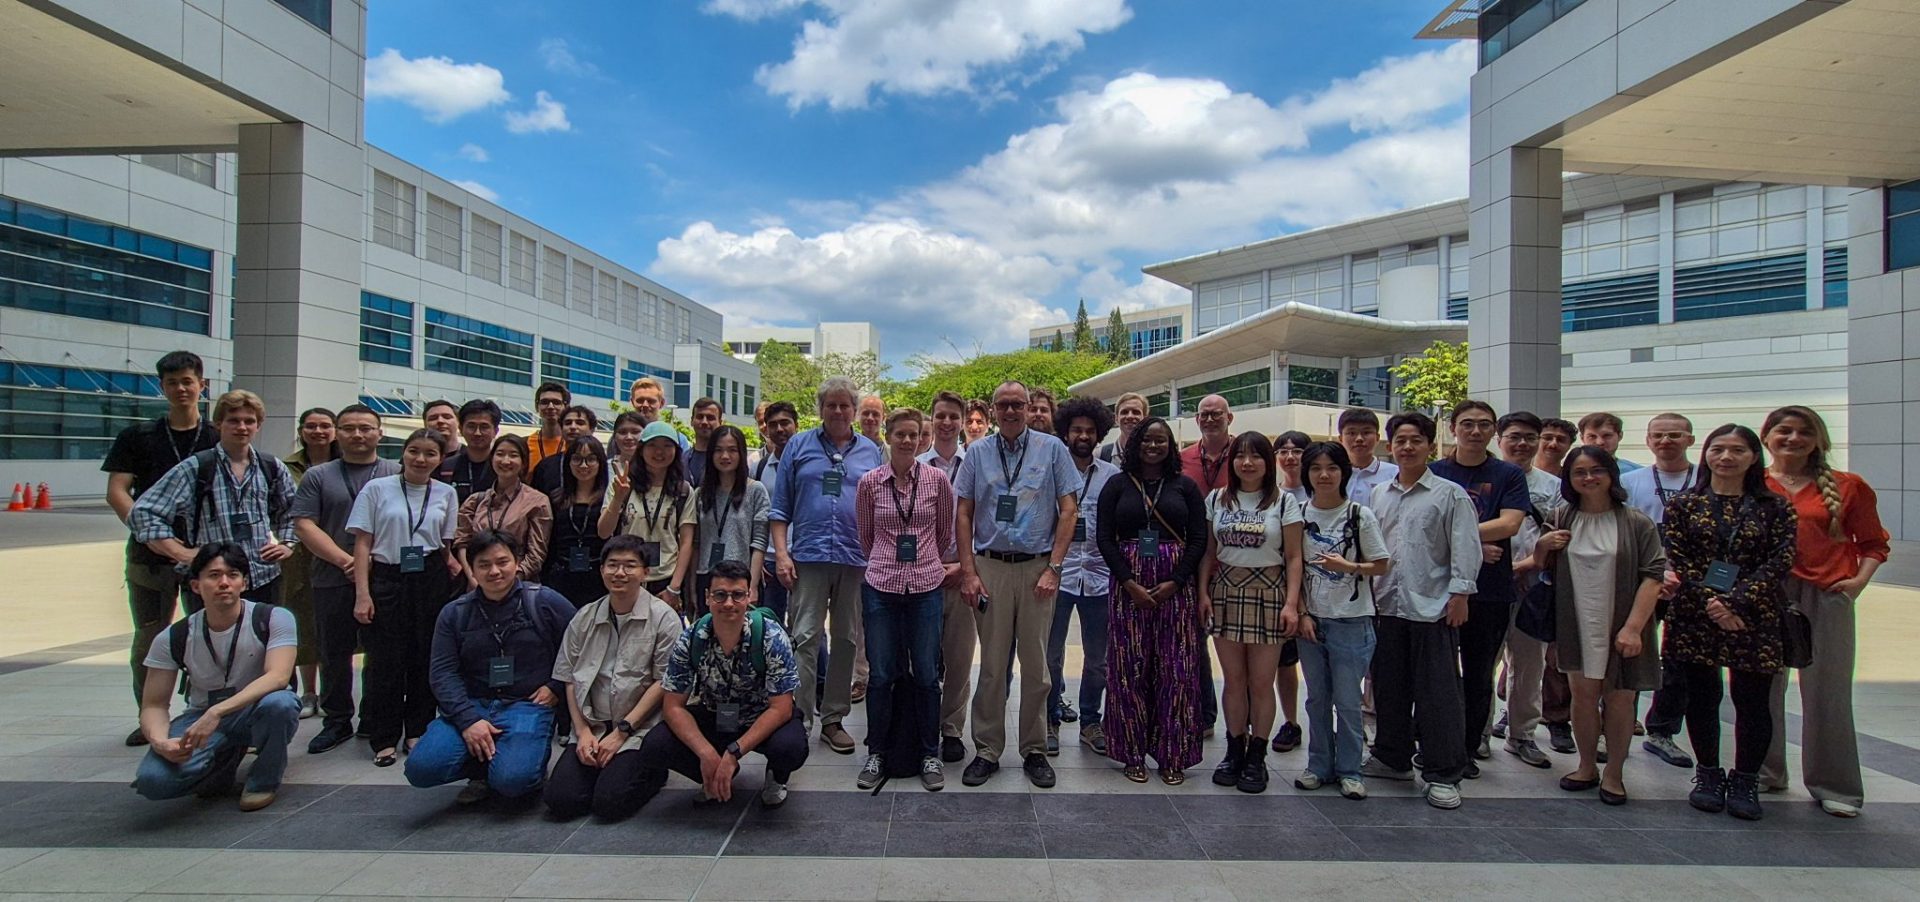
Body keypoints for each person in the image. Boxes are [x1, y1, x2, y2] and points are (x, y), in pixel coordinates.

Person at [1758, 405, 1890, 817]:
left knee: (1827, 691)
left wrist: (1857, 584)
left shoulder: (1848, 486)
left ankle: (1836, 785)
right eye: (1784, 431)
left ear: (1818, 440)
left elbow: (1873, 543)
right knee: (1762, 686)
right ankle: (1765, 772)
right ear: (1767, 437)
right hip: (1767, 593)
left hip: (1828, 592)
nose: (1793, 439)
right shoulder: (1752, 483)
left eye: (1804, 432)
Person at [1664, 424, 1797, 821]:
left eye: (1737, 450)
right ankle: (1708, 774)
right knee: (1702, 697)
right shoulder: (1684, 505)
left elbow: (1780, 561)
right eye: (1718, 449)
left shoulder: (1776, 507)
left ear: (1753, 457)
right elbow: (1679, 560)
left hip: (1754, 617)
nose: (1726, 457)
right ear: (1706, 455)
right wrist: (1714, 604)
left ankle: (1745, 780)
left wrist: (1735, 603)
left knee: (1753, 701)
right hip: (1695, 615)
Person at [952, 380, 1080, 788]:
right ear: (992, 410)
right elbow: (964, 513)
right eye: (1003, 405)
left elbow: (1069, 511)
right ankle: (987, 750)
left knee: (1038, 667)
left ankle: (1035, 749)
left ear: (1029, 408)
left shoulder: (1052, 449)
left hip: (1037, 569)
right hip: (990, 567)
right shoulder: (977, 452)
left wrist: (1054, 568)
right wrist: (969, 572)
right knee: (990, 666)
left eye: (1017, 405)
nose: (1010, 411)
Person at [1526, 445, 1665, 804]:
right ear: (1569, 479)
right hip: (1577, 621)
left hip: (1622, 623)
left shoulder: (1636, 522)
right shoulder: (1561, 516)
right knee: (1583, 697)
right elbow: (1540, 566)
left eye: (1596, 470)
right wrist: (1543, 544)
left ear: (1610, 475)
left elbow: (1653, 577)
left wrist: (1633, 627)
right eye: (1579, 472)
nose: (1588, 478)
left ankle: (1615, 773)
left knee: (1620, 699)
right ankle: (1587, 765)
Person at [1362, 411, 1480, 810]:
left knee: (1438, 695)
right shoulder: (1380, 494)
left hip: (1433, 606)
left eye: (1416, 440)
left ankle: (1444, 772)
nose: (1408, 447)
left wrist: (1461, 594)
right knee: (1389, 687)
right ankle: (1391, 757)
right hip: (1387, 605)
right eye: (1400, 440)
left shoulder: (1449, 494)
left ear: (1431, 445)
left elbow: (1466, 547)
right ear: (1390, 446)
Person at [405, 530, 575, 803]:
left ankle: (508, 768)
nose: (494, 571)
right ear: (471, 569)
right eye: (484, 565)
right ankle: (485, 766)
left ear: (517, 562)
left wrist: (555, 685)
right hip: (473, 703)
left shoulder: (544, 601)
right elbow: (442, 672)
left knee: (513, 782)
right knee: (420, 769)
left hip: (526, 704)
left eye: (502, 562)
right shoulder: (454, 613)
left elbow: (581, 647)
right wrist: (468, 719)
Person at [131, 543, 299, 811]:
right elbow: (153, 704)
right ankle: (222, 761)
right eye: (214, 575)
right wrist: (161, 741)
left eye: (232, 575)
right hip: (202, 716)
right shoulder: (173, 637)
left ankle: (263, 780)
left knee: (281, 703)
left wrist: (216, 712)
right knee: (153, 781)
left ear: (244, 583)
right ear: (196, 586)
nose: (224, 583)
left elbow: (278, 677)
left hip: (251, 711)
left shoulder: (273, 618)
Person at [105, 351, 218, 746]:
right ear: (163, 387)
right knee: (150, 637)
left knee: (211, 634)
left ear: (202, 385)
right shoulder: (137, 437)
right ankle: (150, 714)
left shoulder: (217, 437)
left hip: (207, 558)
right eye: (173, 383)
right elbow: (117, 491)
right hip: (148, 556)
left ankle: (203, 710)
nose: (181, 389)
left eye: (188, 381)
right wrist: (150, 531)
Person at [634, 560, 809, 809]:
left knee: (790, 747)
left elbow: (781, 708)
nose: (728, 603)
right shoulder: (692, 637)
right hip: (715, 714)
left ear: (749, 597)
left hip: (761, 715)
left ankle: (776, 777)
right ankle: (712, 775)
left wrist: (734, 753)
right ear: (707, 598)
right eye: (720, 595)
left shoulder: (770, 635)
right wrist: (705, 753)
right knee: (655, 744)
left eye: (737, 595)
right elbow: (673, 706)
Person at [770, 377, 882, 754]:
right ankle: (799, 718)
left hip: (855, 559)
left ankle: (833, 719)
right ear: (820, 409)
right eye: (830, 405)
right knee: (805, 637)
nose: (837, 411)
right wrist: (782, 554)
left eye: (844, 405)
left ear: (854, 410)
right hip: (809, 557)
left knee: (848, 640)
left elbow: (881, 505)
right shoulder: (798, 447)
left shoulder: (870, 451)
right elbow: (780, 507)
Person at [1096, 416, 1208, 785]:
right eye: (1147, 440)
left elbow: (1198, 540)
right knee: (1129, 670)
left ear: (1171, 446)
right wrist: (1128, 582)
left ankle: (1173, 754)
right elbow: (1105, 539)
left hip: (1174, 589)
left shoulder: (1185, 487)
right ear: (1135, 444)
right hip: (1128, 590)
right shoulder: (1116, 485)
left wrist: (1176, 581)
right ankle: (1131, 753)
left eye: (1161, 441)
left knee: (1176, 671)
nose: (1153, 446)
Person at [543, 534, 682, 820]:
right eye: (612, 565)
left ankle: (651, 772)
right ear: (601, 569)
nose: (620, 573)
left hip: (638, 729)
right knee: (562, 801)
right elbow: (569, 677)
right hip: (592, 726)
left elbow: (664, 681)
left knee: (609, 804)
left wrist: (622, 733)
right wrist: (581, 732)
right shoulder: (584, 616)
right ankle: (603, 769)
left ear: (646, 572)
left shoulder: (664, 618)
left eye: (630, 566)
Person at [1427, 400, 1530, 777]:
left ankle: (1467, 750)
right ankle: (1436, 743)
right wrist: (1469, 544)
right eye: (1467, 424)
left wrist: (1456, 537)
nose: (1475, 431)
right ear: (1454, 427)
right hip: (1437, 589)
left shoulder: (1508, 475)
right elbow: (1419, 525)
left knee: (1478, 673)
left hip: (1490, 591)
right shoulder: (1434, 471)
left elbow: (1510, 524)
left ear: (1493, 432)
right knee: (1436, 673)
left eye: (1484, 425)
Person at [853, 408, 955, 790]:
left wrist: (922, 559)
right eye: (901, 435)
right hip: (881, 585)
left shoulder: (937, 481)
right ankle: (877, 752)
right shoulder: (869, 483)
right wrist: (888, 559)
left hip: (926, 586)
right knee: (881, 675)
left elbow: (943, 533)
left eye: (915, 435)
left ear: (922, 438)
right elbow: (865, 536)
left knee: (927, 675)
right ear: (888, 437)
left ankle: (930, 753)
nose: (908, 441)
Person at [348, 429, 462, 767]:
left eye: (430, 453)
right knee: (385, 660)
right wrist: (362, 594)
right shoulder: (377, 488)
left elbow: (444, 543)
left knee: (424, 656)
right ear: (403, 453)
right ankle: (383, 736)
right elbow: (363, 544)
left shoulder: (446, 492)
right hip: (387, 575)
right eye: (414, 451)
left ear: (441, 459)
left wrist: (454, 563)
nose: (420, 459)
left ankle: (417, 728)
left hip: (429, 577)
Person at [290, 404, 400, 755]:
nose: (357, 435)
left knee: (381, 653)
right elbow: (304, 524)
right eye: (349, 428)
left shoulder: (396, 472)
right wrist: (347, 561)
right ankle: (336, 718)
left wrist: (369, 566)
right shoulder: (319, 476)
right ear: (338, 433)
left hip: (385, 579)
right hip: (331, 576)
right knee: (333, 652)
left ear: (379, 433)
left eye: (366, 428)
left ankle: (373, 716)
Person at [1198, 431, 1303, 793]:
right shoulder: (1217, 499)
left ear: (1267, 461)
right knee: (1233, 680)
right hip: (1226, 590)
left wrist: (1292, 603)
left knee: (1261, 681)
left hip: (1269, 593)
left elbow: (1293, 557)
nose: (1247, 462)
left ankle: (1257, 756)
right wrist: (1202, 594)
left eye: (1255, 456)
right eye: (1240, 456)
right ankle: (1234, 749)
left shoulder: (1284, 502)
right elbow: (1209, 553)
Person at [130, 389, 297, 609]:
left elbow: (294, 511)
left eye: (249, 421)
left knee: (261, 642)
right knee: (208, 642)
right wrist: (181, 553)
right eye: (233, 421)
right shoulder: (196, 467)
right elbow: (143, 512)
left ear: (259, 425)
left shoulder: (271, 467)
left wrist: (288, 543)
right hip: (209, 583)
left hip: (262, 577)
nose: (242, 427)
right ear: (218, 424)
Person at [1294, 443, 1389, 800]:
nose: (1323, 475)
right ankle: (1319, 765)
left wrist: (1348, 567)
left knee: (1349, 701)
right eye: (1316, 468)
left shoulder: (1358, 515)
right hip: (1312, 622)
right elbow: (1294, 569)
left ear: (1343, 473)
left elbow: (1381, 564)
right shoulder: (1299, 514)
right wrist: (1302, 612)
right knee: (1317, 698)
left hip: (1352, 620)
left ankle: (1350, 769)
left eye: (1332, 467)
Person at [1620, 412, 1698, 769]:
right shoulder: (1631, 481)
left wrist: (1680, 573)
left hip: (1692, 584)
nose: (1666, 441)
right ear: (1648, 441)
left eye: (1675, 435)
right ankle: (1619, 724)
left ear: (1690, 440)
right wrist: (1656, 574)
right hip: (1643, 580)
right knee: (1632, 651)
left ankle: (1662, 731)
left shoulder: (1706, 479)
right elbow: (1626, 534)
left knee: (1680, 660)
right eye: (1659, 435)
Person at [1488, 411, 1563, 768]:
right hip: (1485, 583)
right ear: (1499, 439)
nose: (1522, 444)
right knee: (1481, 661)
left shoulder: (1553, 486)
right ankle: (1478, 733)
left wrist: (1529, 565)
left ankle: (1522, 735)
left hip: (1533, 586)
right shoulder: (1486, 479)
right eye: (1514, 436)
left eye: (1530, 437)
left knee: (1530, 664)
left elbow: (1560, 535)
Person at [1047, 397, 1119, 756]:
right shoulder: (1051, 472)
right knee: (1051, 653)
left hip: (1100, 578)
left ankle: (1091, 721)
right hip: (1058, 575)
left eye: (1090, 430)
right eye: (1077, 429)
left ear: (1099, 434)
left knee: (1098, 658)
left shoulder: (1113, 477)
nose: (1083, 436)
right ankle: (1049, 720)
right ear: (1065, 432)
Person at [1179, 394, 1234, 737]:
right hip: (1193, 566)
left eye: (1216, 414)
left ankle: (1241, 726)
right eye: (1204, 414)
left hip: (1235, 568)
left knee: (1236, 651)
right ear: (1197, 420)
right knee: (1194, 644)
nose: (1210, 419)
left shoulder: (1246, 456)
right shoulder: (1183, 459)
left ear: (1230, 417)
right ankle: (1203, 715)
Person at [600, 422, 698, 607]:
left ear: (676, 451)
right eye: (652, 445)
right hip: (627, 576)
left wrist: (674, 588)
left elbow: (686, 542)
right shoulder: (622, 484)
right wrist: (618, 498)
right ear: (641, 449)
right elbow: (604, 532)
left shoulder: (683, 490)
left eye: (667, 446)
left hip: (666, 578)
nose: (659, 452)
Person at [280, 407, 336, 717]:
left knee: (337, 627)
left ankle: (333, 691)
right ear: (301, 430)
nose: (318, 431)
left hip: (343, 553)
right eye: (311, 426)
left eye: (325, 425)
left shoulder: (347, 464)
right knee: (303, 620)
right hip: (300, 555)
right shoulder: (285, 467)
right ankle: (309, 692)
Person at [689, 424, 770, 614]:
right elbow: (696, 543)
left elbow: (759, 542)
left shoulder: (755, 490)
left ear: (741, 453)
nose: (725, 456)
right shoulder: (701, 494)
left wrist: (754, 585)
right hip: (707, 577)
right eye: (718, 450)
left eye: (732, 450)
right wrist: (692, 587)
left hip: (741, 580)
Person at [1533, 415, 1578, 750]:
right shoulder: (1509, 476)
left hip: (1556, 580)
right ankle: (1518, 713)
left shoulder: (1572, 484)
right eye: (1546, 437)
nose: (1551, 444)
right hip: (1507, 575)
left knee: (1554, 657)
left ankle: (1557, 718)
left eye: (1559, 439)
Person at [455, 434, 552, 587]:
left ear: (523, 462)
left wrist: (508, 584)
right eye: (500, 454)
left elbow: (536, 554)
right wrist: (474, 579)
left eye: (513, 455)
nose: (505, 461)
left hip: (518, 586)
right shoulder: (475, 501)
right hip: (477, 586)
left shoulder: (537, 502)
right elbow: (463, 543)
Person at [543, 435, 610, 608]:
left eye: (591, 459)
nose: (583, 465)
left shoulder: (608, 499)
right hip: (562, 576)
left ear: (601, 462)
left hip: (598, 578)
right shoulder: (556, 497)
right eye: (577, 459)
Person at [753, 401, 799, 618]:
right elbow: (755, 515)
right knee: (770, 622)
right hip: (769, 561)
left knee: (807, 628)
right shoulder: (759, 467)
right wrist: (757, 556)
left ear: (796, 425)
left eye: (785, 423)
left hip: (803, 557)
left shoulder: (810, 466)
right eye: (773, 424)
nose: (779, 429)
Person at [530, 406, 599, 496]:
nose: (573, 427)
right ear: (561, 429)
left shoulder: (602, 463)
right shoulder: (545, 466)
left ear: (592, 429)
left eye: (580, 423)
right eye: (568, 423)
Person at [1337, 408, 1398, 509]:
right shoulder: (1334, 474)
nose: (1359, 439)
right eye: (1352, 433)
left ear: (1377, 438)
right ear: (1340, 439)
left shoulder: (1395, 474)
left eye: (1366, 433)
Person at [445, 399, 502, 501]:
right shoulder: (446, 468)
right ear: (461, 429)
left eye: (484, 427)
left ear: (496, 431)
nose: (477, 433)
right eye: (471, 426)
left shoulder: (504, 467)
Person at [627, 376, 690, 451]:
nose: (645, 405)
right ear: (632, 402)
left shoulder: (678, 440)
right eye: (640, 400)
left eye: (651, 401)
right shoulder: (622, 439)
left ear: (662, 403)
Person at [1578, 411, 1642, 472]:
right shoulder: (1570, 472)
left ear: (1620, 436)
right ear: (1582, 438)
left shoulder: (1637, 474)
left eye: (1607, 435)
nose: (1600, 442)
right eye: (1592, 436)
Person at [529, 382, 571, 470]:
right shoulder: (524, 445)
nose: (550, 406)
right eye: (544, 402)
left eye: (556, 402)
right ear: (537, 407)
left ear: (566, 407)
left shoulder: (573, 445)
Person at [1098, 392, 1148, 465]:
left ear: (1145, 419)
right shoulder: (1100, 455)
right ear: (1116, 419)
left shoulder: (1154, 455)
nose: (1130, 416)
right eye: (1124, 412)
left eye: (1136, 412)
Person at [686, 397, 723, 489]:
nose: (704, 422)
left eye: (710, 418)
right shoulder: (681, 460)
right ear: (691, 421)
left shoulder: (727, 460)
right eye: (700, 417)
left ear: (720, 423)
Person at [1273, 431, 1311, 506]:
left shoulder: (1319, 493)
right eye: (1283, 452)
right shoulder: (1271, 495)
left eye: (1297, 451)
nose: (1290, 457)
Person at [422, 399, 462, 464]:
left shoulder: (472, 457)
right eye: (433, 418)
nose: (440, 421)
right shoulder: (415, 459)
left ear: (458, 422)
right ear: (425, 424)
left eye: (447, 417)